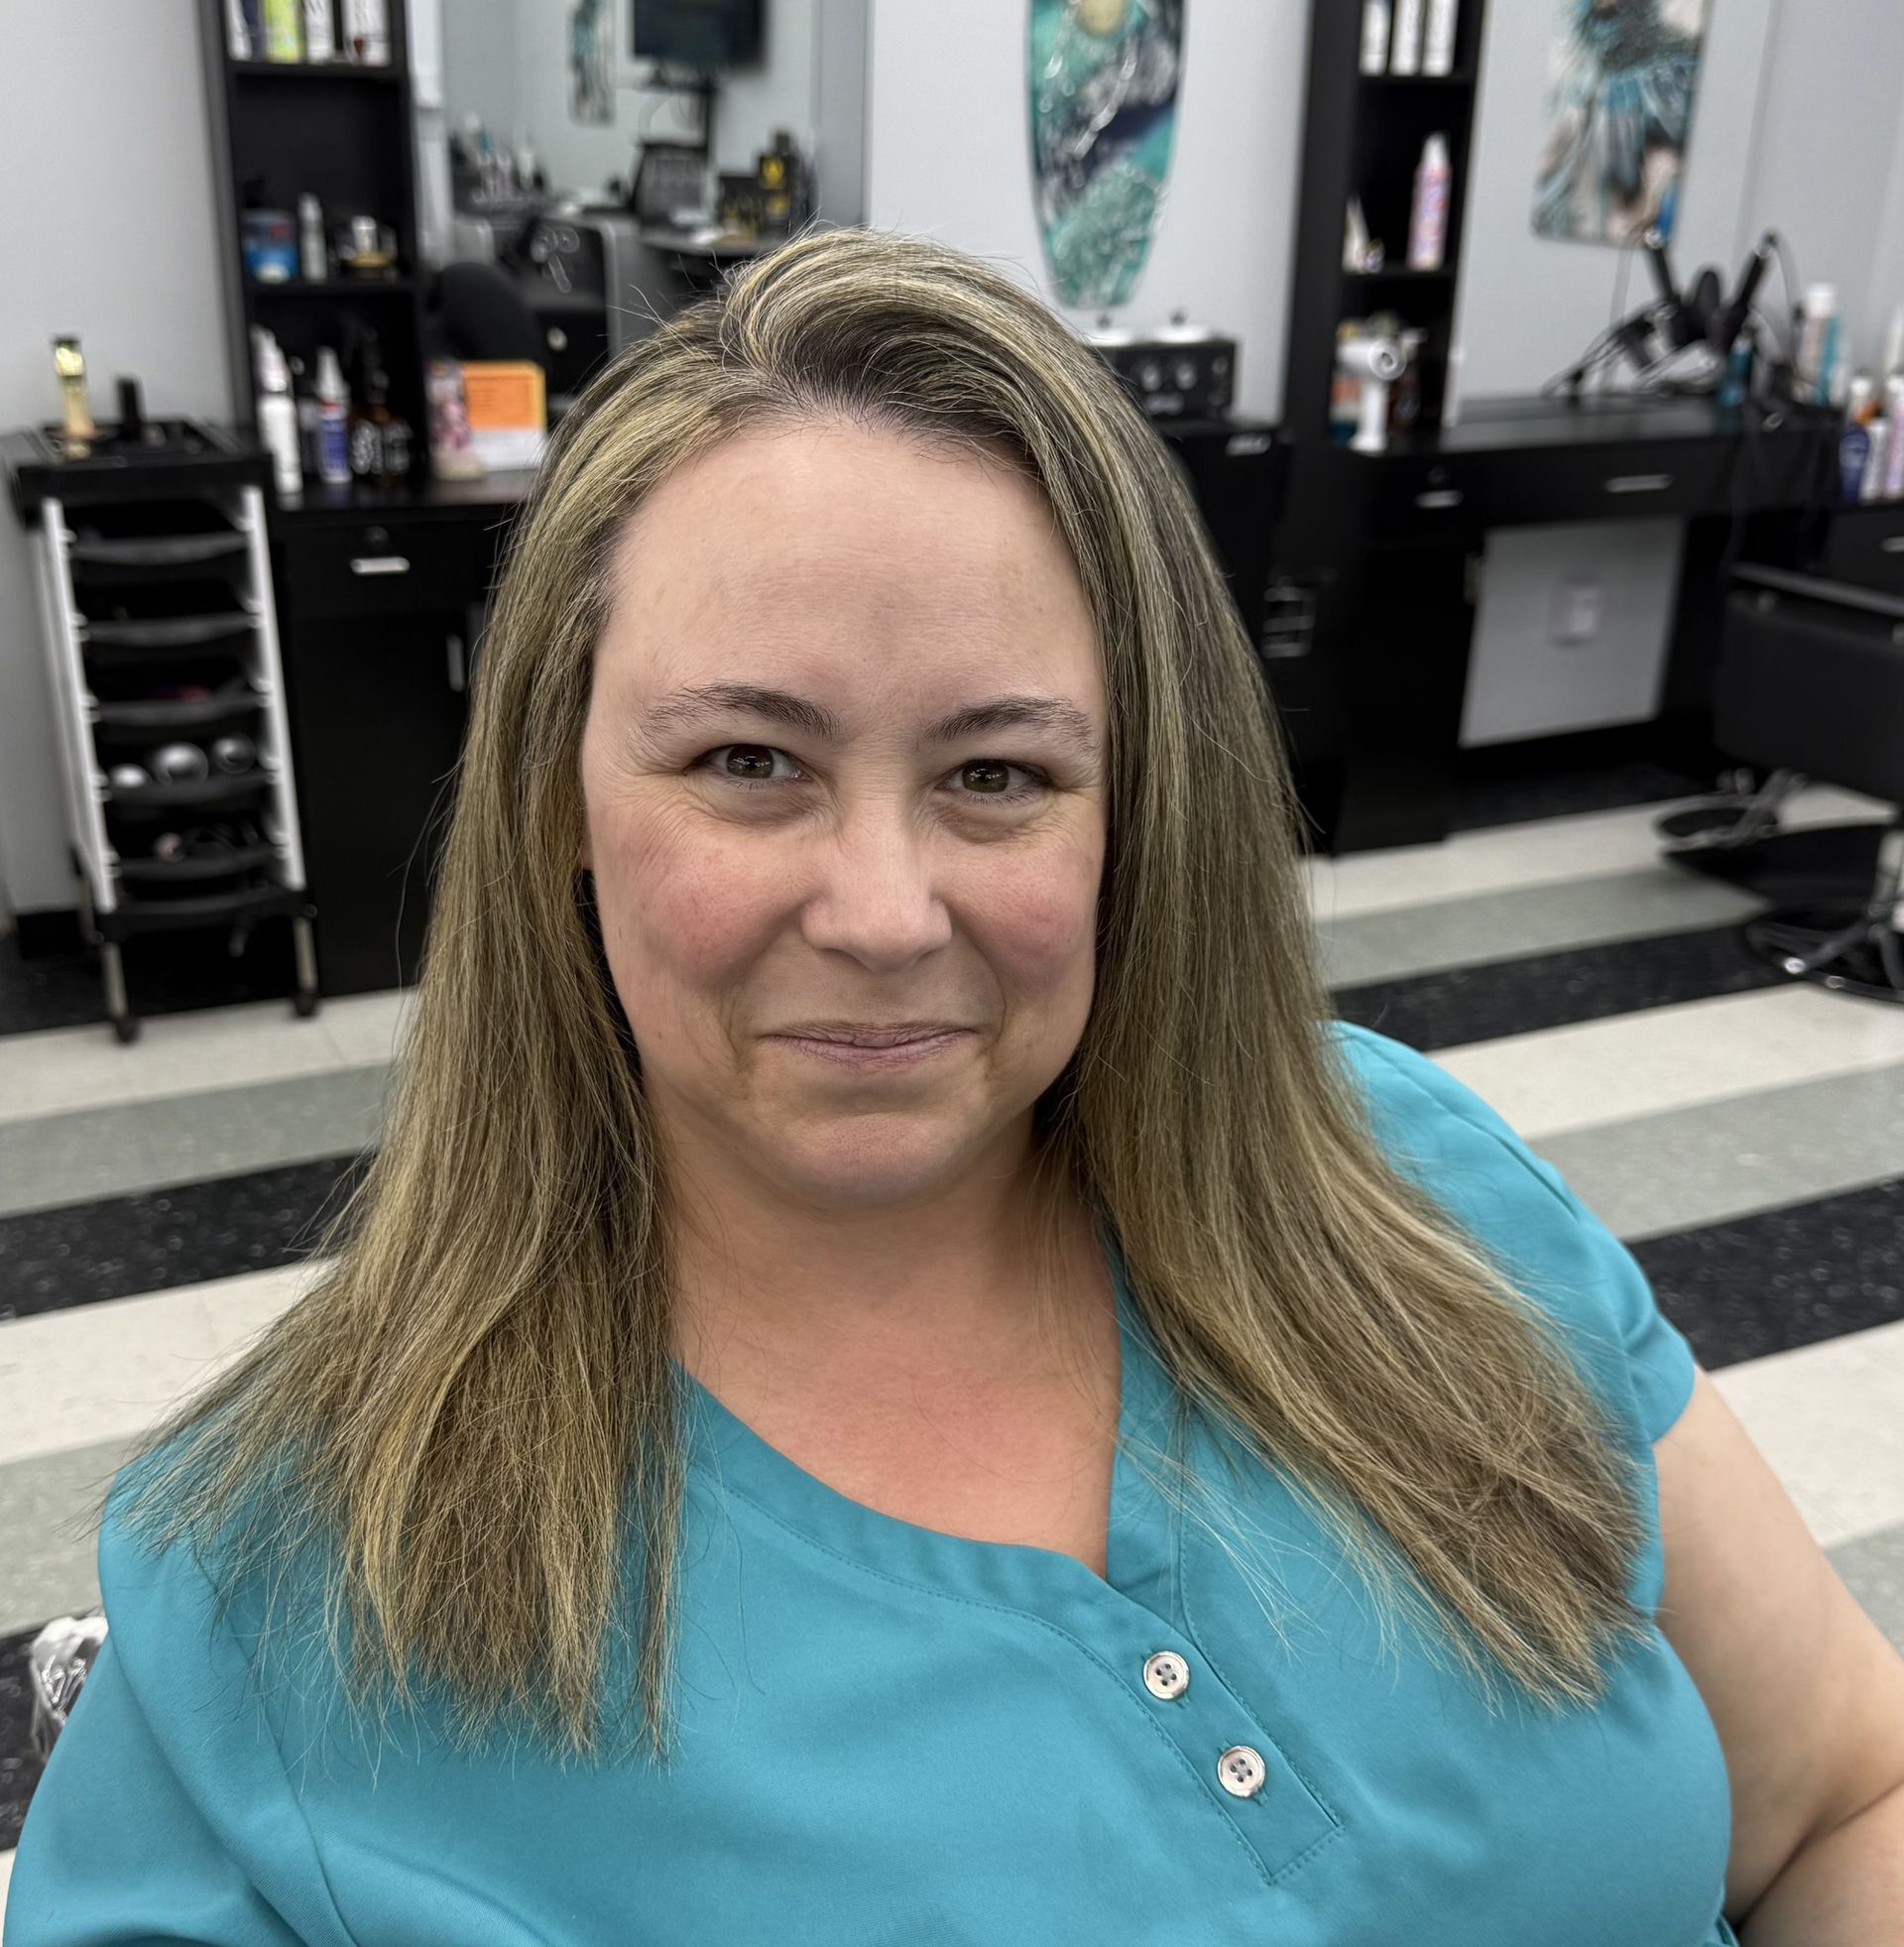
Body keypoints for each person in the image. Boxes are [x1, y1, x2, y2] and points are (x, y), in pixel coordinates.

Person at [10, 225, 1903, 1946]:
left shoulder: (1412, 1182)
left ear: (1129, 814)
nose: (884, 910)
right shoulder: (283, 1579)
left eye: (998, 773)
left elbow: (1841, 1799)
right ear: (555, 806)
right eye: (749, 760)